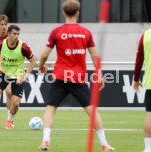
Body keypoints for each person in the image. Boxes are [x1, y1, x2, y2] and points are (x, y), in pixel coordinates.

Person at [38, 0, 114, 151]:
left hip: (60, 77)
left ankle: (46, 141)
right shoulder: (86, 32)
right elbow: (94, 55)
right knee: (92, 111)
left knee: (51, 109)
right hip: (78, 78)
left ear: (64, 13)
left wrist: (41, 66)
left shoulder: (56, 32)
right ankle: (104, 144)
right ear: (78, 12)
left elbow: (45, 54)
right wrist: (99, 75)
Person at [0, 25, 36, 129]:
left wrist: (25, 76)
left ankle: (10, 120)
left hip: (18, 76)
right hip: (3, 74)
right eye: (14, 34)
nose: (16, 36)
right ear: (8, 34)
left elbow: (33, 61)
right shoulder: (0, 45)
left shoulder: (23, 47)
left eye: (18, 34)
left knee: (15, 103)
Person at [133, 5, 151, 152]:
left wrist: (136, 80)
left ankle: (147, 149)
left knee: (150, 116)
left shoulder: (146, 34)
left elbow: (139, 59)